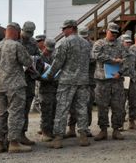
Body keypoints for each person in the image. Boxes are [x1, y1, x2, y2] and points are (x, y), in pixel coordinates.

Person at [43, 20, 91, 149]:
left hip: (67, 81)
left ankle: (58, 138)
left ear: (72, 28)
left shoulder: (65, 43)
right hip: (82, 81)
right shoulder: (86, 44)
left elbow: (58, 62)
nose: (63, 31)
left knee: (62, 109)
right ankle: (83, 136)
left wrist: (48, 75)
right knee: (81, 109)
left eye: (64, 28)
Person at [0, 22, 33, 154]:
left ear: (5, 32)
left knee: (0, 113)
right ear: (17, 32)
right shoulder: (16, 46)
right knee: (15, 113)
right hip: (15, 85)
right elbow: (28, 62)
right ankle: (13, 143)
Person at [92, 22, 129, 141]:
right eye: (111, 32)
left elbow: (127, 60)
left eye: (115, 33)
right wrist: (113, 60)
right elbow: (96, 55)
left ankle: (116, 130)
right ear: (107, 31)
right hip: (102, 81)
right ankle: (103, 130)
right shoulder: (99, 43)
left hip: (116, 80)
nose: (113, 35)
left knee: (117, 106)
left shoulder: (121, 45)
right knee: (102, 106)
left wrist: (121, 72)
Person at [66, 27, 96, 138]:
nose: (84, 39)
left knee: (87, 106)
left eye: (86, 37)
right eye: (82, 36)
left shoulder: (92, 45)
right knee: (73, 105)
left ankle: (85, 129)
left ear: (89, 35)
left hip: (89, 81)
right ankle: (72, 128)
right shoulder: (76, 44)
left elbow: (94, 58)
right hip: (76, 80)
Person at [20, 21, 41, 146]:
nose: (28, 35)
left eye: (31, 33)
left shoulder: (33, 42)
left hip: (29, 78)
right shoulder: (16, 41)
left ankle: (22, 134)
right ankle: (10, 136)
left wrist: (34, 60)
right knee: (15, 108)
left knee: (26, 107)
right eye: (27, 32)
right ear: (22, 29)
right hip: (17, 79)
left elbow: (38, 56)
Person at [36, 38, 57, 142]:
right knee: (46, 111)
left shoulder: (54, 57)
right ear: (43, 47)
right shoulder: (39, 58)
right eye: (48, 50)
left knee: (53, 111)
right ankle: (45, 132)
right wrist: (44, 76)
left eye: (51, 50)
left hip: (54, 87)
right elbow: (36, 74)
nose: (49, 52)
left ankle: (50, 131)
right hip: (44, 88)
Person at [121, 34, 136, 130]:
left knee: (133, 101)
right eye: (126, 42)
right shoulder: (118, 54)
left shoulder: (133, 54)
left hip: (132, 80)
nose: (128, 44)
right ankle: (119, 123)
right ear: (122, 42)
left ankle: (132, 121)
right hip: (121, 80)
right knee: (120, 102)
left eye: (129, 42)